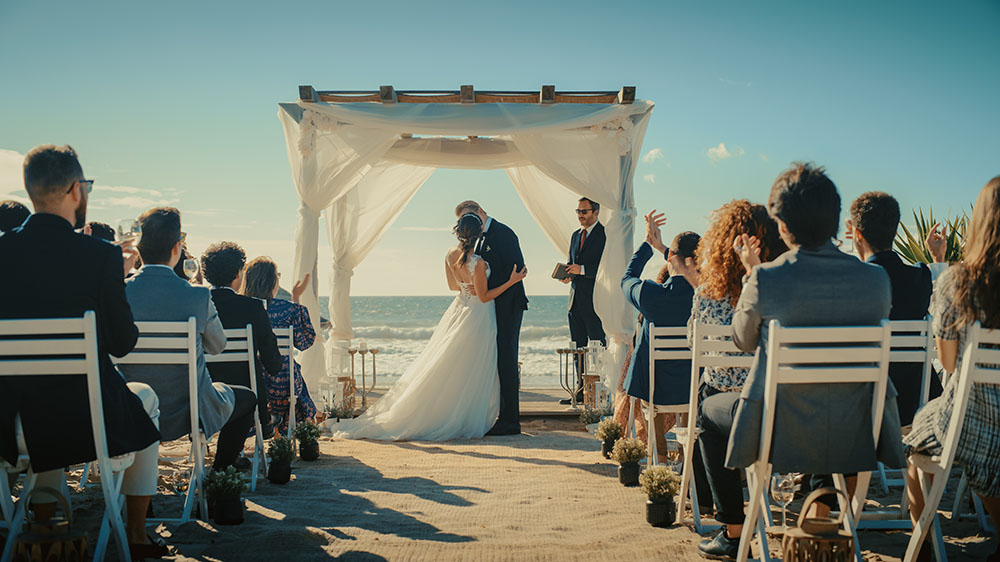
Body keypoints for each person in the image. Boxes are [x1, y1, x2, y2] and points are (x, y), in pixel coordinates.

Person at [697, 163, 904, 560]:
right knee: (828, 399)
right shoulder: (875, 280)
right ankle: (820, 500)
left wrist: (753, 277)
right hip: (858, 428)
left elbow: (742, 340)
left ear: (782, 226)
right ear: (835, 218)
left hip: (780, 433)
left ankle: (734, 528)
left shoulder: (767, 279)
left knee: (708, 410)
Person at [0, 145, 165, 557]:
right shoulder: (100, 256)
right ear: (76, 190)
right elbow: (124, 343)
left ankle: (44, 520)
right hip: (83, 420)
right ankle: (138, 536)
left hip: (8, 420)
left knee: (41, 399)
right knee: (145, 401)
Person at [334, 212, 527, 440]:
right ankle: (462, 413)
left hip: (460, 308)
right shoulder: (478, 262)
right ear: (477, 235)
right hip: (479, 315)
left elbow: (453, 287)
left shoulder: (449, 255)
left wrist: (468, 286)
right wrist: (511, 281)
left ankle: (447, 410)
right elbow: (485, 297)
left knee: (455, 363)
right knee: (474, 366)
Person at [904, 176, 1000, 562]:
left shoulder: (958, 281)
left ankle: (924, 545)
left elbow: (946, 362)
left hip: (971, 422)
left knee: (916, 449)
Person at [119, 207, 258, 470]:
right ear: (176, 250)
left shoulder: (117, 293)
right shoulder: (198, 296)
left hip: (132, 411)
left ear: (138, 249)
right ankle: (219, 473)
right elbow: (218, 347)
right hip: (187, 413)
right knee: (247, 398)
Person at [686, 199, 787, 520]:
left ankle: (726, 518)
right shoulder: (781, 291)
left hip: (731, 408)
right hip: (782, 405)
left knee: (704, 407)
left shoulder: (705, 294)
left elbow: (694, 344)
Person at [847, 191, 936, 425]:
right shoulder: (920, 277)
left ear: (857, 234)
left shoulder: (855, 282)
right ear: (895, 232)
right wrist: (938, 258)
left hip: (866, 403)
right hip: (916, 402)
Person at [621, 210, 699, 456]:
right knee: (690, 385)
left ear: (672, 259)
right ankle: (686, 455)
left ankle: (661, 457)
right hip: (697, 392)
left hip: (657, 392)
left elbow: (627, 278)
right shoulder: (710, 295)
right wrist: (665, 249)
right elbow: (688, 268)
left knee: (651, 395)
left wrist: (649, 245)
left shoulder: (650, 295)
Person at [457, 200, 529, 436]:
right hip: (490, 306)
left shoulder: (504, 233)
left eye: (468, 217)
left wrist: (485, 288)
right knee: (495, 360)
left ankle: (510, 421)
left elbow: (517, 269)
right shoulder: (477, 236)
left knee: (507, 360)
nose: (465, 224)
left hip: (508, 305)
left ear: (479, 211)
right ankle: (495, 413)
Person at [202, 242, 283, 433]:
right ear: (239, 274)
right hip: (247, 403)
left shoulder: (198, 304)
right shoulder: (253, 307)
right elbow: (272, 363)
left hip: (204, 399)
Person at [242, 257, 317, 435]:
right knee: (293, 370)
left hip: (249, 381)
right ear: (273, 282)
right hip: (283, 384)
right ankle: (301, 430)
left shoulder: (241, 309)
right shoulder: (290, 309)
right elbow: (305, 343)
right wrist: (296, 298)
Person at [559, 197, 607, 404]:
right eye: (578, 211)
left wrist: (583, 270)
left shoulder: (605, 235)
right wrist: (568, 273)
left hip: (596, 300)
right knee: (578, 348)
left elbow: (609, 267)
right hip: (575, 299)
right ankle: (580, 392)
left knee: (598, 346)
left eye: (584, 211)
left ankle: (600, 391)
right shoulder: (575, 236)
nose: (580, 215)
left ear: (596, 212)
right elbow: (573, 263)